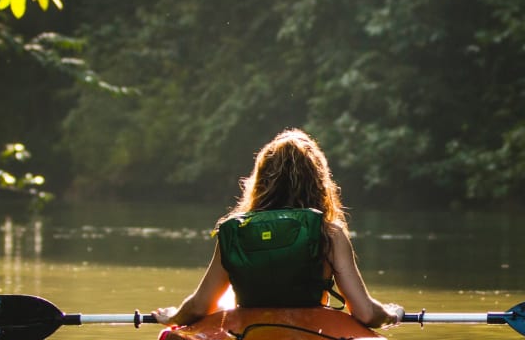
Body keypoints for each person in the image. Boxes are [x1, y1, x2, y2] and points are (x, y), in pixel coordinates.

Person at [153, 129, 404, 329]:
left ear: (261, 180)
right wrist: (391, 314)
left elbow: (199, 307)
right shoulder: (329, 234)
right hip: (311, 335)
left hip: (249, 336)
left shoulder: (236, 232)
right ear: (318, 182)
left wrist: (174, 316)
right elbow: (366, 313)